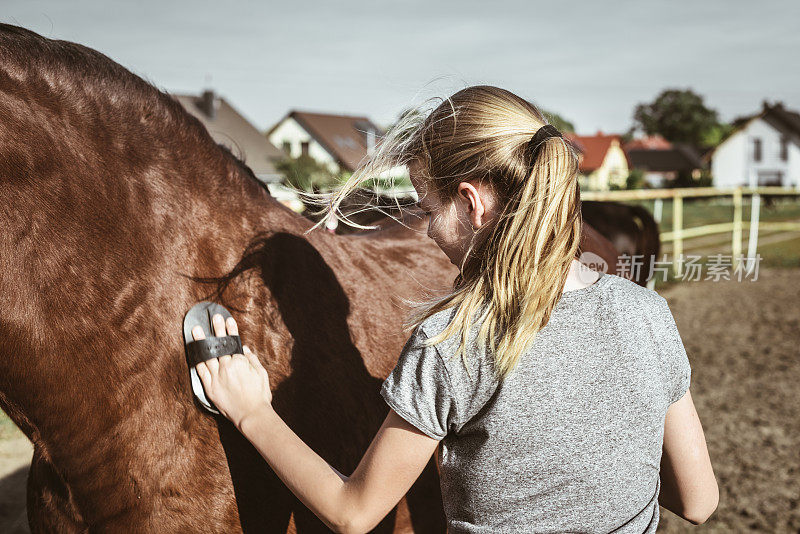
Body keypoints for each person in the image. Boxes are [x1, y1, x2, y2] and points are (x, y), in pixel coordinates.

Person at [190, 85, 718, 533]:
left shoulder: (455, 341)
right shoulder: (647, 312)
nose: (427, 230)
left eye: (427, 209)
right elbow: (699, 503)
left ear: (471, 204)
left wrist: (252, 411)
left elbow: (354, 514)